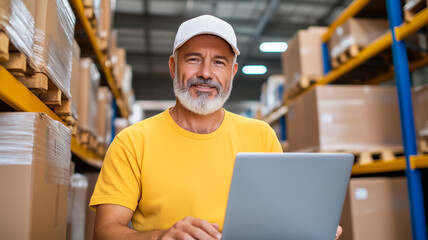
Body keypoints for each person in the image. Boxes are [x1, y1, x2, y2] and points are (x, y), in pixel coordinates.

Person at [90, 15, 342, 240]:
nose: (206, 73)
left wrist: (308, 229)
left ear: (232, 72)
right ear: (173, 66)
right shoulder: (132, 142)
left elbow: (277, 218)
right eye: (193, 59)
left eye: (219, 62)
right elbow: (105, 231)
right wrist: (160, 237)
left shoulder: (261, 136)